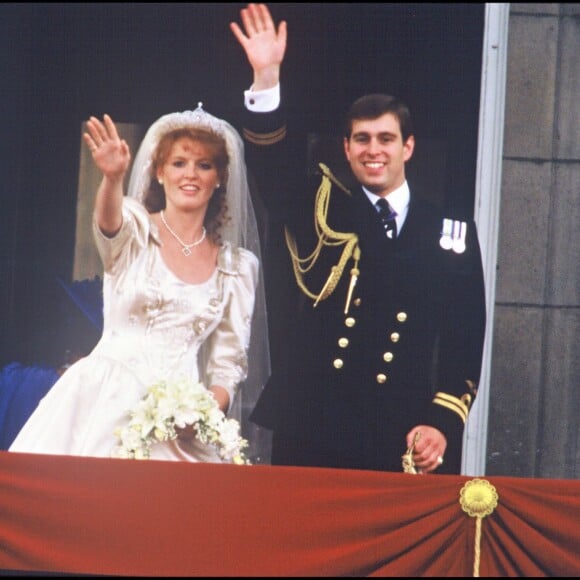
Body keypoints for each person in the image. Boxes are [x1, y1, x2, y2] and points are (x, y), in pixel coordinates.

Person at [230, 3, 486, 474]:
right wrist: (266, 78)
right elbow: (273, 168)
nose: (374, 150)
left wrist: (440, 421)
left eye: (386, 139)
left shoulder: (448, 228)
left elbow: (464, 334)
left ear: (407, 147)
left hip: (400, 429)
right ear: (345, 149)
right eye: (362, 139)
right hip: (315, 426)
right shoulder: (321, 208)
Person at [9, 103, 271, 463]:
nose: (190, 174)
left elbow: (229, 365)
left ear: (220, 177)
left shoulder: (237, 266)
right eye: (179, 163)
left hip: (178, 426)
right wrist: (113, 178)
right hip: (103, 400)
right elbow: (108, 223)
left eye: (204, 165)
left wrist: (201, 412)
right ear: (160, 172)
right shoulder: (135, 228)